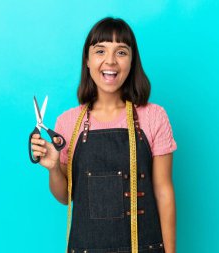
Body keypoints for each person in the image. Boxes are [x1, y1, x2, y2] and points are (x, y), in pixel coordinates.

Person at [30, 17, 177, 253]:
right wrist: (53, 168)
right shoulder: (67, 122)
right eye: (100, 51)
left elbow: (164, 191)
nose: (110, 61)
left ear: (132, 61)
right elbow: (65, 196)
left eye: (121, 52)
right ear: (87, 61)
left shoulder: (154, 116)